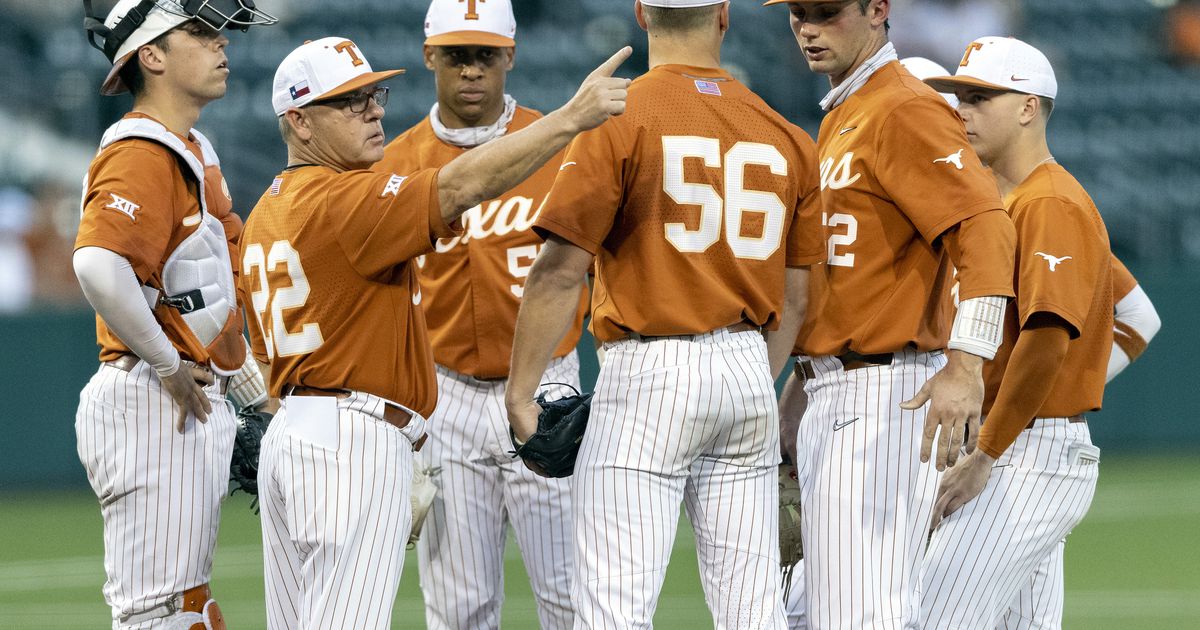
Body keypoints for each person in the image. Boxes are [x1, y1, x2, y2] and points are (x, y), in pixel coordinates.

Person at [242, 36, 629, 629]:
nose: (374, 110)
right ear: (298, 121)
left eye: (373, 95)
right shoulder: (344, 201)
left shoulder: (265, 210)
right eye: (349, 102)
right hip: (352, 440)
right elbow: (459, 187)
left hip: (294, 431)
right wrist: (572, 118)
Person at [505, 1, 824, 626]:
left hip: (649, 372)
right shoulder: (786, 134)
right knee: (753, 608)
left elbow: (559, 271)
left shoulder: (617, 116)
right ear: (724, 17)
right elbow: (796, 299)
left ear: (642, 15)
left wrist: (521, 392)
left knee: (614, 606)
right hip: (746, 368)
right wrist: (756, 375)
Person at [762, 1, 1017, 628]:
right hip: (836, 393)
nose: (809, 28)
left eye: (826, 11)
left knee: (863, 613)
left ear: (878, 10)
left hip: (883, 393)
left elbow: (985, 229)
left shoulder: (904, 104)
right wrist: (796, 398)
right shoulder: (848, 111)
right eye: (798, 13)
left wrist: (966, 364)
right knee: (817, 615)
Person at [371, 1, 586, 627]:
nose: (472, 71)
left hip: (549, 383)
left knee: (571, 593)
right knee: (458, 607)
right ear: (428, 55)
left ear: (509, 57)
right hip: (449, 395)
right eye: (457, 55)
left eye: (485, 55)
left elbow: (598, 266)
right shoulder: (398, 162)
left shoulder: (558, 142)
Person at [917, 37, 1144, 628]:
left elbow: (1047, 338)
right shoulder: (1013, 201)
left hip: (1024, 455)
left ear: (1027, 106)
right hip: (1026, 446)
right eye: (959, 96)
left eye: (980, 96)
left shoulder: (1048, 202)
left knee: (933, 617)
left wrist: (986, 451)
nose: (961, 109)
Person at [73, 1, 275, 628]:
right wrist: (166, 366)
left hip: (182, 390)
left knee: (188, 606)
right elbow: (98, 266)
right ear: (151, 55)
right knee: (161, 613)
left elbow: (207, 297)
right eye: (198, 31)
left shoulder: (189, 147)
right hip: (152, 393)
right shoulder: (141, 151)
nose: (220, 44)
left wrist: (253, 394)